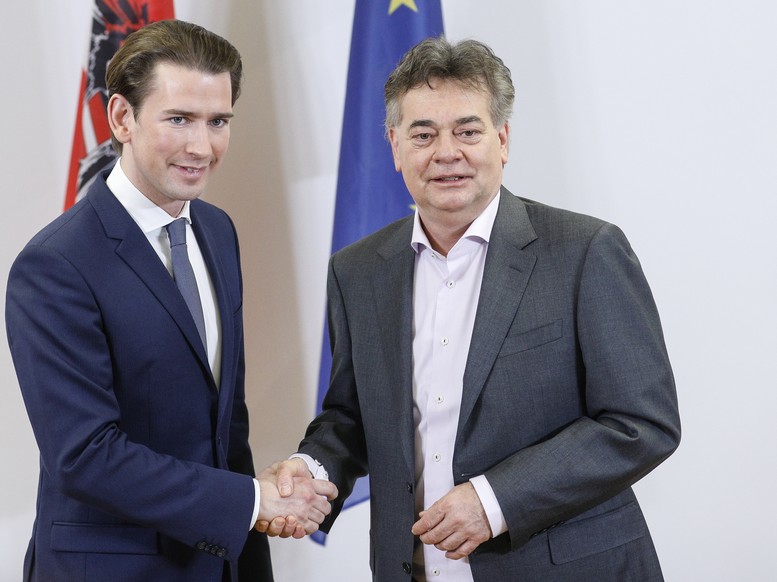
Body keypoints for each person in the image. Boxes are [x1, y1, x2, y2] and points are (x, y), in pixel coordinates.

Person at [262, 37, 681, 580]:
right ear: (394, 146)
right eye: (423, 134)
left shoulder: (585, 251)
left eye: (467, 130)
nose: (446, 153)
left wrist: (495, 500)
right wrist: (309, 469)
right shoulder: (357, 271)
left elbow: (641, 423)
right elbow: (351, 415)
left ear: (502, 139)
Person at [6, 19, 336, 582]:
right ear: (121, 118)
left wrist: (258, 522)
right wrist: (252, 504)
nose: (201, 146)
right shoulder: (55, 265)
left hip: (222, 562)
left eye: (218, 122)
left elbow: (225, 423)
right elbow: (85, 456)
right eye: (179, 119)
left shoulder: (216, 230)